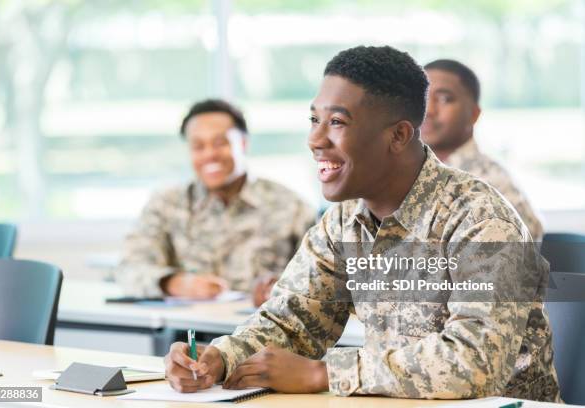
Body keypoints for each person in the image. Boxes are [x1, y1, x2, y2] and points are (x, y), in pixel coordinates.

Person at [164, 46, 559, 402]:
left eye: (336, 122)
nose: (315, 139)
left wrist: (323, 373)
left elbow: (475, 364)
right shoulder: (343, 220)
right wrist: (222, 357)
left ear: (399, 135)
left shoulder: (481, 218)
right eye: (313, 119)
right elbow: (293, 319)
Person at [115, 99, 315, 307]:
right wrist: (174, 283)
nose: (209, 154)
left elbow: (323, 281)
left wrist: (281, 291)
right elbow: (129, 268)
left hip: (268, 330)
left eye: (220, 143)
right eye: (198, 146)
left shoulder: (292, 207)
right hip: (187, 332)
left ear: (243, 144)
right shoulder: (166, 204)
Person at [421, 59, 543, 241]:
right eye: (421, 98)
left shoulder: (493, 184)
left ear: (473, 114)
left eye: (445, 99)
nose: (428, 110)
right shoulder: (407, 173)